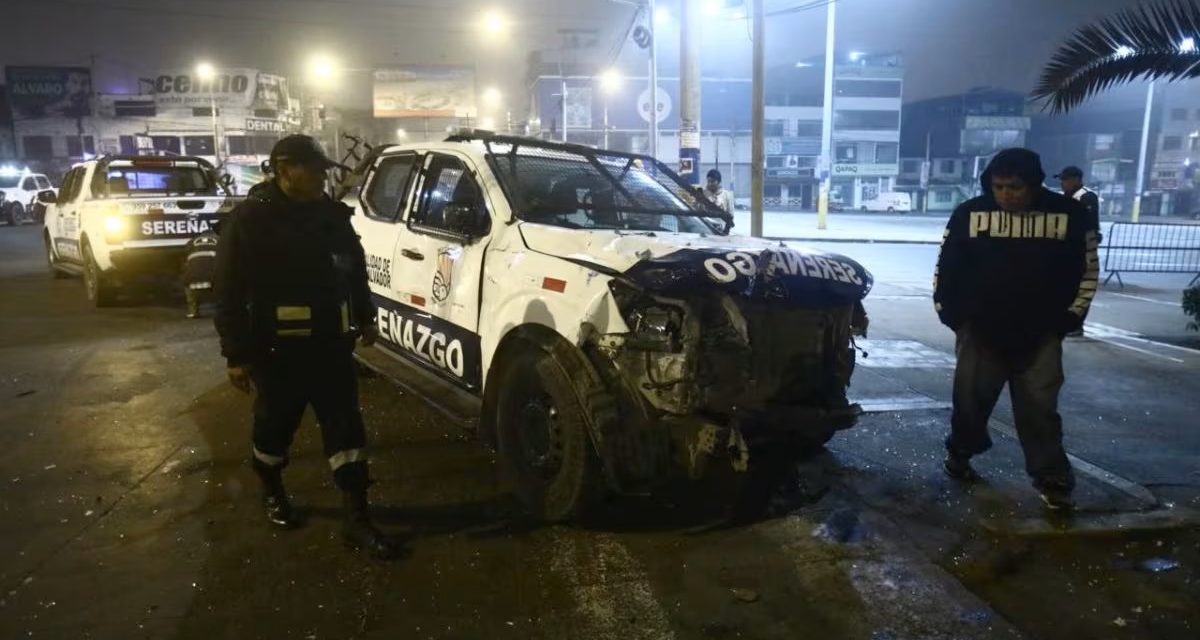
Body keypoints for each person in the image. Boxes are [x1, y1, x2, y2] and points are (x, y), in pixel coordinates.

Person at [214, 134, 399, 559]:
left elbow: (353, 269)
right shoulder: (250, 221)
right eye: (313, 168)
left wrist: (366, 316)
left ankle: (357, 518)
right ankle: (272, 490)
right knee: (275, 430)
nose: (322, 175)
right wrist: (236, 355)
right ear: (284, 170)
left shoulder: (331, 215)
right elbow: (227, 292)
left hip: (331, 348)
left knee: (347, 431)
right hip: (275, 353)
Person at [933, 148, 1099, 511]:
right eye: (999, 187)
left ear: (1034, 185)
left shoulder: (1070, 215)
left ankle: (1052, 479)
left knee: (1039, 410)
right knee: (970, 405)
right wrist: (952, 314)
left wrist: (1069, 318)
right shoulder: (969, 214)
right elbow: (947, 267)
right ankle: (960, 454)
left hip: (1041, 334)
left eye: (1015, 187)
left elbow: (1087, 269)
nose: (1006, 195)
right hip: (981, 332)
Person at [1056, 166, 1102, 336]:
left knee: (1081, 285)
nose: (1062, 183)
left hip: (1081, 247)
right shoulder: (1065, 197)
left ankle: (1076, 324)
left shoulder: (1086, 196)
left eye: (1065, 179)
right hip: (1065, 247)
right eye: (1061, 179)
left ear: (1076, 179)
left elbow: (1089, 223)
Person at [182, 223, 219, 318]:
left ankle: (193, 311)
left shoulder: (191, 242)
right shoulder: (220, 239)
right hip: (214, 278)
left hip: (192, 279)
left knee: (188, 284)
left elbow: (186, 254)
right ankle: (222, 309)